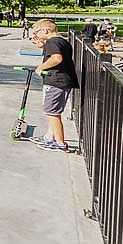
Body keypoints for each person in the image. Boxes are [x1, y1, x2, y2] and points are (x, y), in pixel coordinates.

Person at [29, 18, 79, 152]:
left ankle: (60, 142)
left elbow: (57, 58)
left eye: (37, 32)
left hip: (56, 81)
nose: (36, 35)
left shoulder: (52, 42)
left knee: (51, 112)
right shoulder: (61, 41)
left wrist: (41, 67)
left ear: (45, 30)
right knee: (53, 112)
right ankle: (49, 137)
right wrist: (42, 47)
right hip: (62, 81)